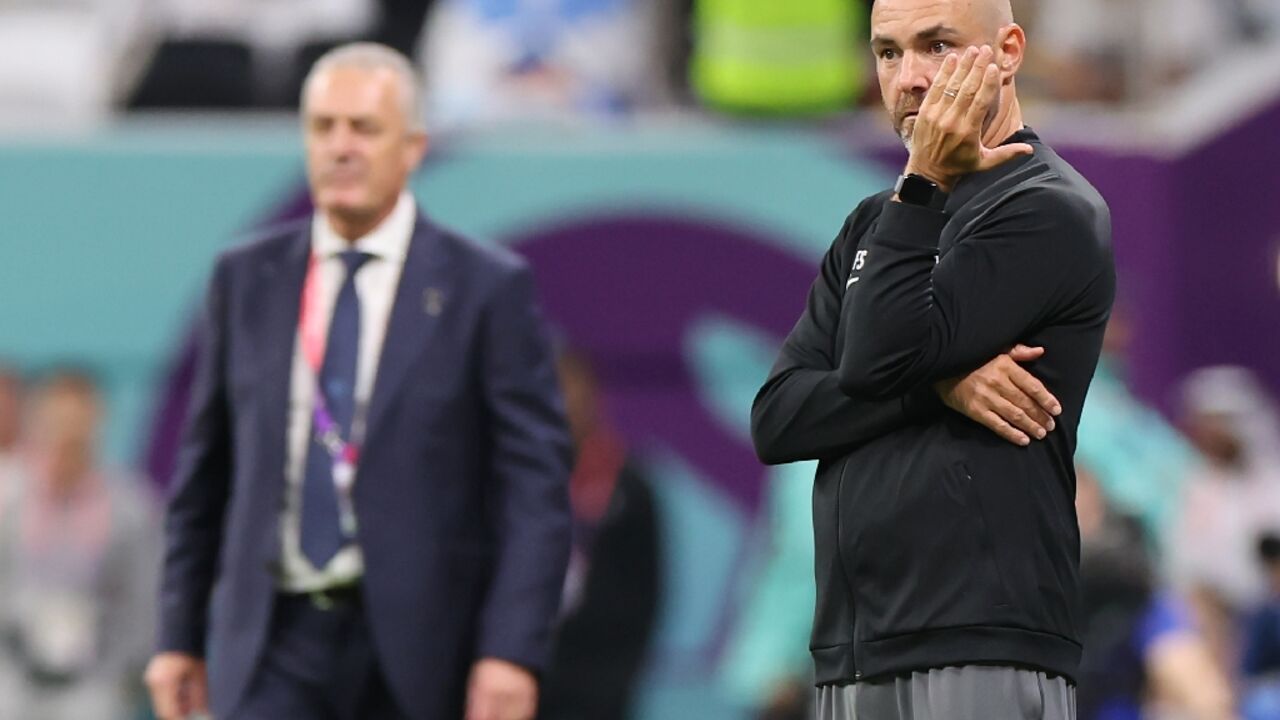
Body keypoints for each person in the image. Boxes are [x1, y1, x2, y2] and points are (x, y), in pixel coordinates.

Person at [144, 43, 573, 720]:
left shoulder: (484, 288)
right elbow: (204, 478)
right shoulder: (245, 279)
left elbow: (534, 490)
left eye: (364, 129)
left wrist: (512, 649)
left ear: (413, 147)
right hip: (269, 643)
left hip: (419, 648)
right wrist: (176, 636)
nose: (341, 147)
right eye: (323, 127)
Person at [751, 0, 1116, 716]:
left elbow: (870, 366)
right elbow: (780, 417)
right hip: (854, 650)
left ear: (1009, 51)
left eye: (937, 45)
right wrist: (942, 385)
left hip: (979, 643)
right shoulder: (874, 223)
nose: (910, 77)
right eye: (888, 53)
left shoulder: (1048, 209)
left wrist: (921, 184)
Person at [0, 369, 159, 720]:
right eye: (57, 420)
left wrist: (121, 674)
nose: (66, 433)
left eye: (77, 420)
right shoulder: (9, 499)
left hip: (94, 682)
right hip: (12, 679)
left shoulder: (128, 506)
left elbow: (142, 601)